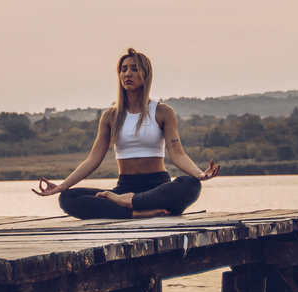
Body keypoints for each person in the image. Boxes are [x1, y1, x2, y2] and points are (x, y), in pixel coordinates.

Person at [34, 48, 220, 219]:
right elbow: (93, 159)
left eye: (134, 69)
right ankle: (135, 212)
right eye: (123, 69)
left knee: (191, 185)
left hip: (157, 191)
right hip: (123, 189)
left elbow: (177, 154)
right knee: (68, 197)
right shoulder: (110, 116)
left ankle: (130, 205)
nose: (128, 74)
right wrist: (62, 186)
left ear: (146, 75)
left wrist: (199, 174)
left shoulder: (162, 112)